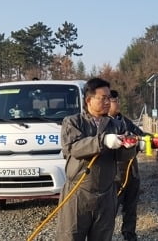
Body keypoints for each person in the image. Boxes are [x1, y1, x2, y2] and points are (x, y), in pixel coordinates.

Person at [56, 78, 137, 241]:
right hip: (78, 194)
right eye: (103, 98)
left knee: (102, 237)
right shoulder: (73, 122)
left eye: (110, 98)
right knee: (70, 236)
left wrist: (132, 147)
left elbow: (121, 157)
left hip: (107, 193)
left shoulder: (116, 125)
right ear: (89, 100)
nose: (108, 102)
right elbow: (74, 148)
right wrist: (104, 141)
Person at [109, 90, 146, 241]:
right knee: (109, 210)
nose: (118, 103)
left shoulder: (125, 121)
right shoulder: (103, 124)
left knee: (131, 209)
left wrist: (156, 139)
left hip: (132, 172)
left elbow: (141, 135)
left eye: (118, 100)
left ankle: (130, 236)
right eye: (115, 101)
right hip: (114, 176)